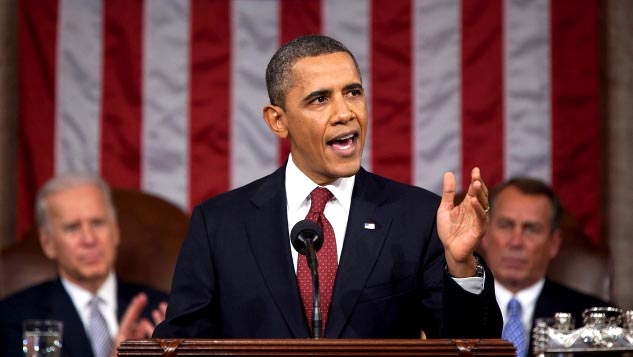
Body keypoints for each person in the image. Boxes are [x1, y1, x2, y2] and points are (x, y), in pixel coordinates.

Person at [153, 34, 502, 339]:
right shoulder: (219, 224)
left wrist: (461, 267)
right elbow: (182, 343)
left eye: (353, 92)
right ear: (278, 120)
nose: (344, 113)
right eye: (320, 99)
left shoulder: (417, 217)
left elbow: (471, 346)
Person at [0, 173, 168, 357]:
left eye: (98, 223)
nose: (89, 239)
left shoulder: (160, 312)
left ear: (115, 231)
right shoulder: (15, 317)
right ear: (48, 243)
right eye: (72, 227)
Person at [480, 177, 611, 357]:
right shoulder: (449, 313)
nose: (516, 242)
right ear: (485, 234)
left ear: (554, 244)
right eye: (505, 225)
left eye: (531, 229)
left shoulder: (596, 326)